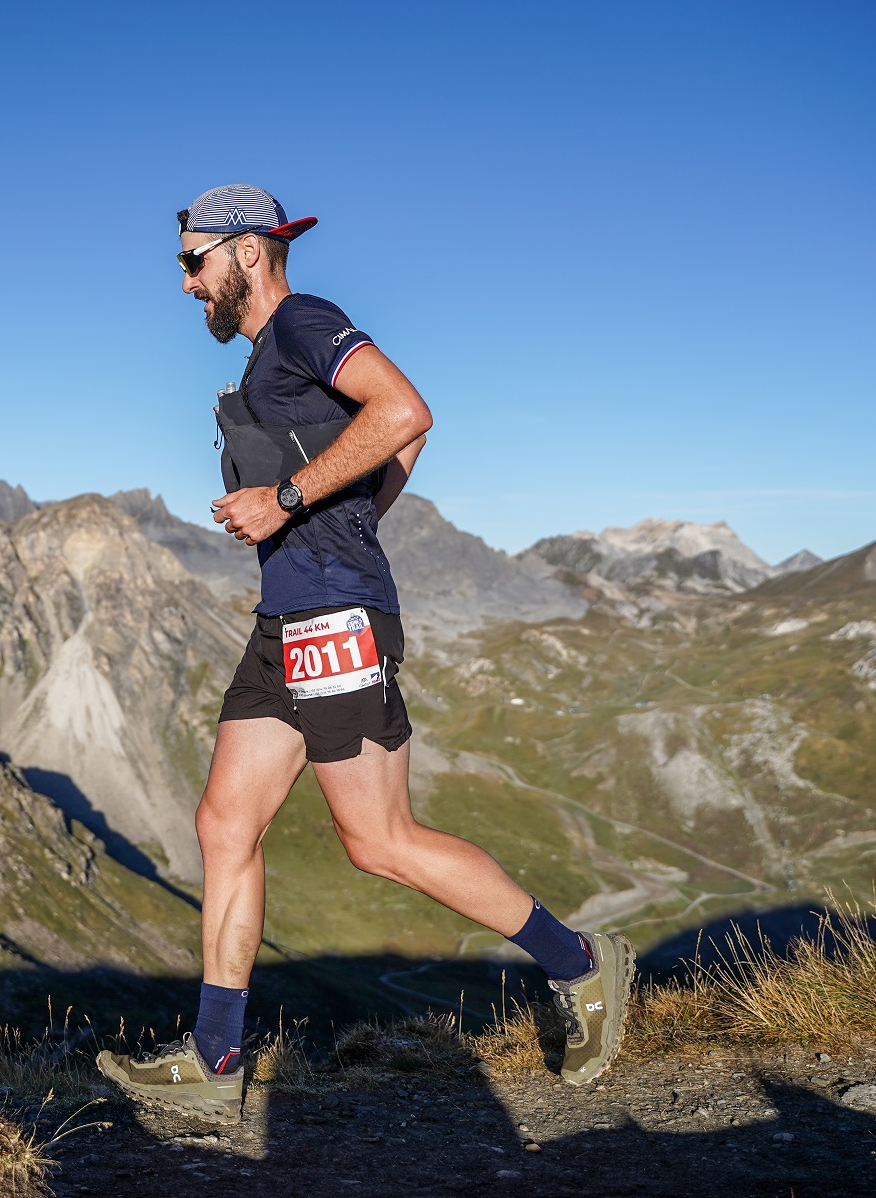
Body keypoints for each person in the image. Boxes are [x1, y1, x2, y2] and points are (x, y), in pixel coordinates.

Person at [96, 184, 634, 1122]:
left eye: (192, 261)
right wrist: (343, 515)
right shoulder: (269, 355)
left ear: (247, 252)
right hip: (285, 620)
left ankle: (582, 965)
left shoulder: (303, 322)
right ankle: (217, 1057)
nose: (185, 283)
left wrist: (288, 503)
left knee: (379, 841)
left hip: (335, 619)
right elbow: (390, 447)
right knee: (225, 822)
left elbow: (406, 412)